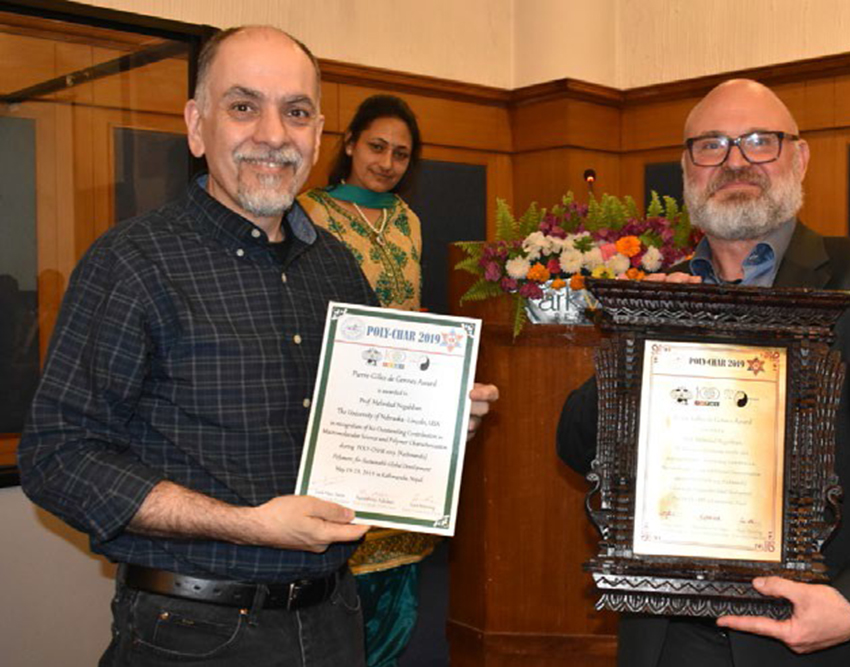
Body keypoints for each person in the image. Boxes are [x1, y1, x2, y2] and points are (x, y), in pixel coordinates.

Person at [18, 26, 498, 667]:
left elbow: (354, 430)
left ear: (318, 134)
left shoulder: (337, 268)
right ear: (196, 125)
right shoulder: (132, 263)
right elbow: (57, 459)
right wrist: (245, 523)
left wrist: (434, 426)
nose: (274, 134)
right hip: (191, 633)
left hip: (334, 619)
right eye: (244, 106)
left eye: (296, 112)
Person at [556, 79, 850, 666]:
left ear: (800, 158)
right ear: (687, 170)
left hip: (827, 637)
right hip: (672, 639)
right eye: (711, 145)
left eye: (759, 141)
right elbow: (579, 446)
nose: (734, 161)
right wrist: (641, 340)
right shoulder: (662, 293)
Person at [299, 94, 435, 667]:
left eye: (401, 154)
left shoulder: (409, 221)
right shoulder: (308, 211)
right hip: (343, 406)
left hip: (402, 407)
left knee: (398, 573)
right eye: (377, 146)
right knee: (341, 560)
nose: (387, 163)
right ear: (349, 142)